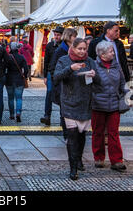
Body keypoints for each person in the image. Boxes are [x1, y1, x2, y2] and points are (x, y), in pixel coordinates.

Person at [54, 38, 99, 180]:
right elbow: (56, 77)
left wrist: (94, 75)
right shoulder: (64, 60)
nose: (82, 51)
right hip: (69, 102)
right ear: (73, 48)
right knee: (72, 136)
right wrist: (70, 69)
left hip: (85, 102)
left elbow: (99, 81)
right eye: (79, 48)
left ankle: (78, 158)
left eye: (84, 49)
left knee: (81, 135)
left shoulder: (90, 61)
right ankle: (73, 168)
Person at [91, 40, 129, 172]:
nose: (113, 53)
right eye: (111, 51)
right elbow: (88, 85)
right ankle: (99, 158)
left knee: (114, 133)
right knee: (98, 133)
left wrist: (128, 96)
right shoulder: (94, 66)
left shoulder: (116, 66)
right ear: (102, 54)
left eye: (113, 51)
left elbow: (123, 83)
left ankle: (117, 160)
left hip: (114, 104)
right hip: (97, 104)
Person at [50, 27, 78, 139]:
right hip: (63, 86)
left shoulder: (72, 49)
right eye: (75, 36)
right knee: (64, 111)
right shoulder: (61, 51)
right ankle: (67, 134)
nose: (76, 39)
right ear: (69, 37)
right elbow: (53, 69)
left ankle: (71, 133)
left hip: (72, 86)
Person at [40, 26, 64, 126]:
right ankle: (47, 116)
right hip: (51, 72)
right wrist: (45, 76)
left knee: (63, 94)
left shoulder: (65, 46)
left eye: (58, 35)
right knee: (49, 93)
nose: (56, 37)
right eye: (55, 35)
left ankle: (63, 118)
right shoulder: (50, 45)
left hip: (62, 72)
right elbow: (46, 61)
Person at [5, 41, 29, 122]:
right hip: (19, 80)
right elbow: (26, 69)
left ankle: (12, 115)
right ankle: (18, 113)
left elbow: (4, 68)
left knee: (10, 98)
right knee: (19, 98)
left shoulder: (8, 57)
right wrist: (25, 76)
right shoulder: (21, 57)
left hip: (9, 79)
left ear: (11, 48)